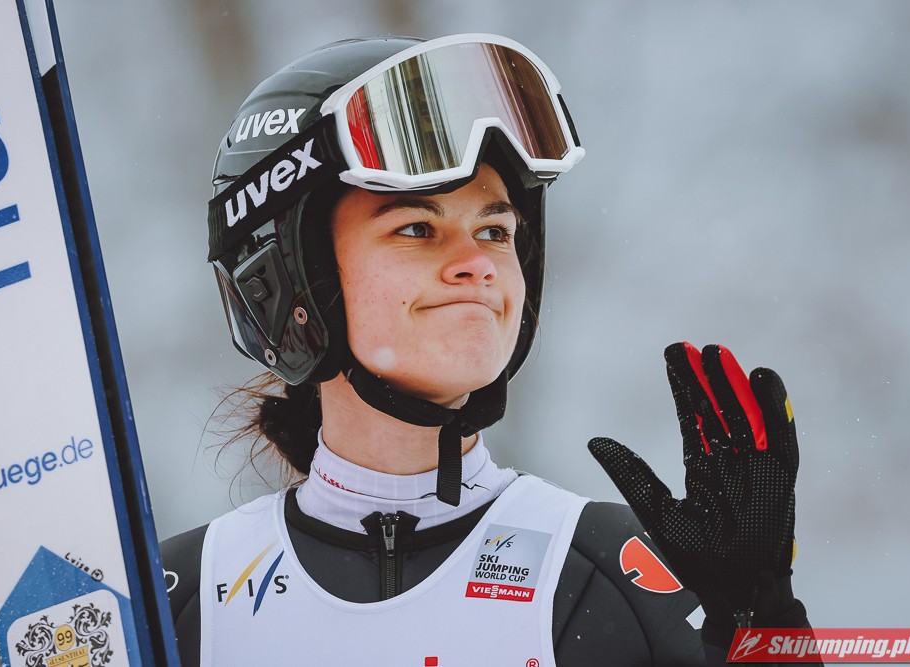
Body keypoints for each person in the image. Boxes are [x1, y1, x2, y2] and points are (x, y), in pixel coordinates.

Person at [161, 33, 816, 665]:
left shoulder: (616, 574)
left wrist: (758, 629)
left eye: (496, 231)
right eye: (417, 228)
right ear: (288, 280)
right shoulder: (176, 600)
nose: (477, 264)